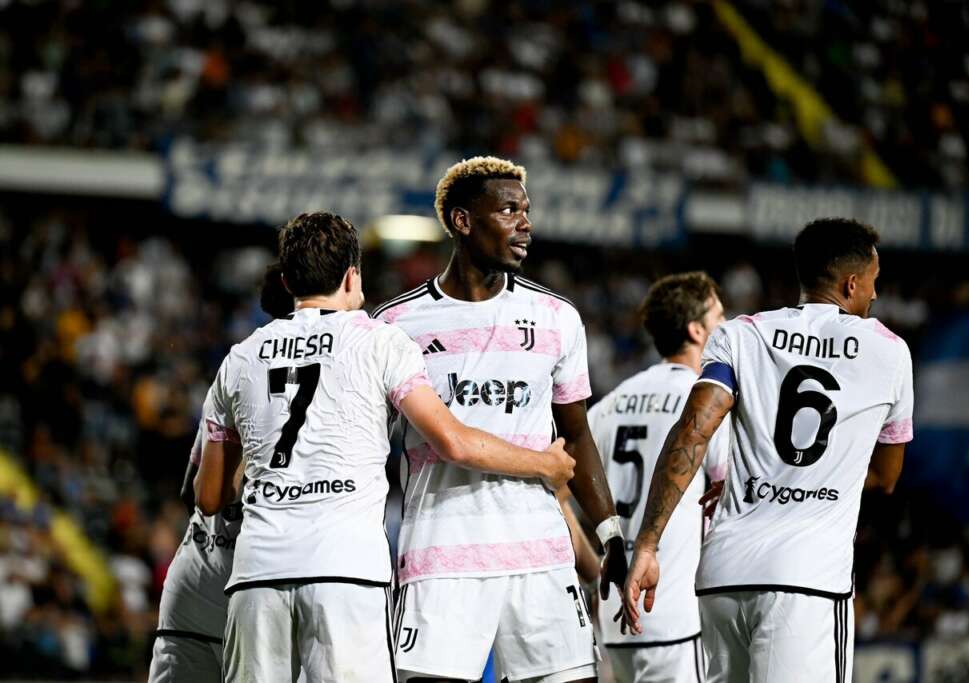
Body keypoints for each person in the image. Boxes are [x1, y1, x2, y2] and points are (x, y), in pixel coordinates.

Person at [193, 212, 576, 683]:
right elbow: (453, 442)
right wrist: (545, 464)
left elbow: (209, 497)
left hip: (257, 573)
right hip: (346, 570)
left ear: (288, 281)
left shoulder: (239, 358)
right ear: (352, 277)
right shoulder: (380, 342)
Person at [620, 218, 914, 683]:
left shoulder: (741, 334)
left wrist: (648, 544)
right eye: (873, 282)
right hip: (808, 582)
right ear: (851, 283)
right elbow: (885, 477)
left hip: (723, 578)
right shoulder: (890, 351)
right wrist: (809, 479)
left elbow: (692, 432)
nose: (875, 295)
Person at [372, 156, 627, 683]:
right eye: (509, 210)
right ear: (462, 221)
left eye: (526, 210)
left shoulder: (556, 318)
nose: (525, 223)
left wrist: (612, 536)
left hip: (540, 556)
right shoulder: (396, 324)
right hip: (440, 559)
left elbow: (576, 434)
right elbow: (373, 448)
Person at [148, 263, 294, 682]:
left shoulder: (237, 364)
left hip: (196, 579)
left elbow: (198, 493)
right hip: (260, 593)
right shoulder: (336, 374)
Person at [588, 272, 729, 683]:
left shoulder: (609, 404)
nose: (728, 326)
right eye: (720, 317)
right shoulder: (706, 405)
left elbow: (558, 493)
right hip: (677, 614)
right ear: (697, 330)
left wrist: (592, 565)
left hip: (615, 617)